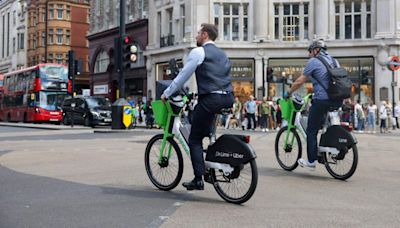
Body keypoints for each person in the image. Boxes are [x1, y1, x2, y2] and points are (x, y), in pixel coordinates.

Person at [161, 23, 234, 190]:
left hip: (211, 99)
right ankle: (212, 154)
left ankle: (198, 178)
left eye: (199, 33)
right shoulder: (223, 54)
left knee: (194, 139)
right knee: (207, 131)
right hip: (228, 98)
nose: (196, 36)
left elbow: (183, 75)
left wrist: (167, 92)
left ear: (205, 35)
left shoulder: (199, 52)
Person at [286, 40, 343, 170]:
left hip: (322, 100)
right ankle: (325, 147)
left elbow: (301, 80)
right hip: (336, 99)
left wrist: (289, 92)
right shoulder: (334, 61)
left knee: (311, 130)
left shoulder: (314, 61)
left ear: (316, 50)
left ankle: (311, 162)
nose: (309, 54)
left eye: (310, 51)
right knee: (324, 126)